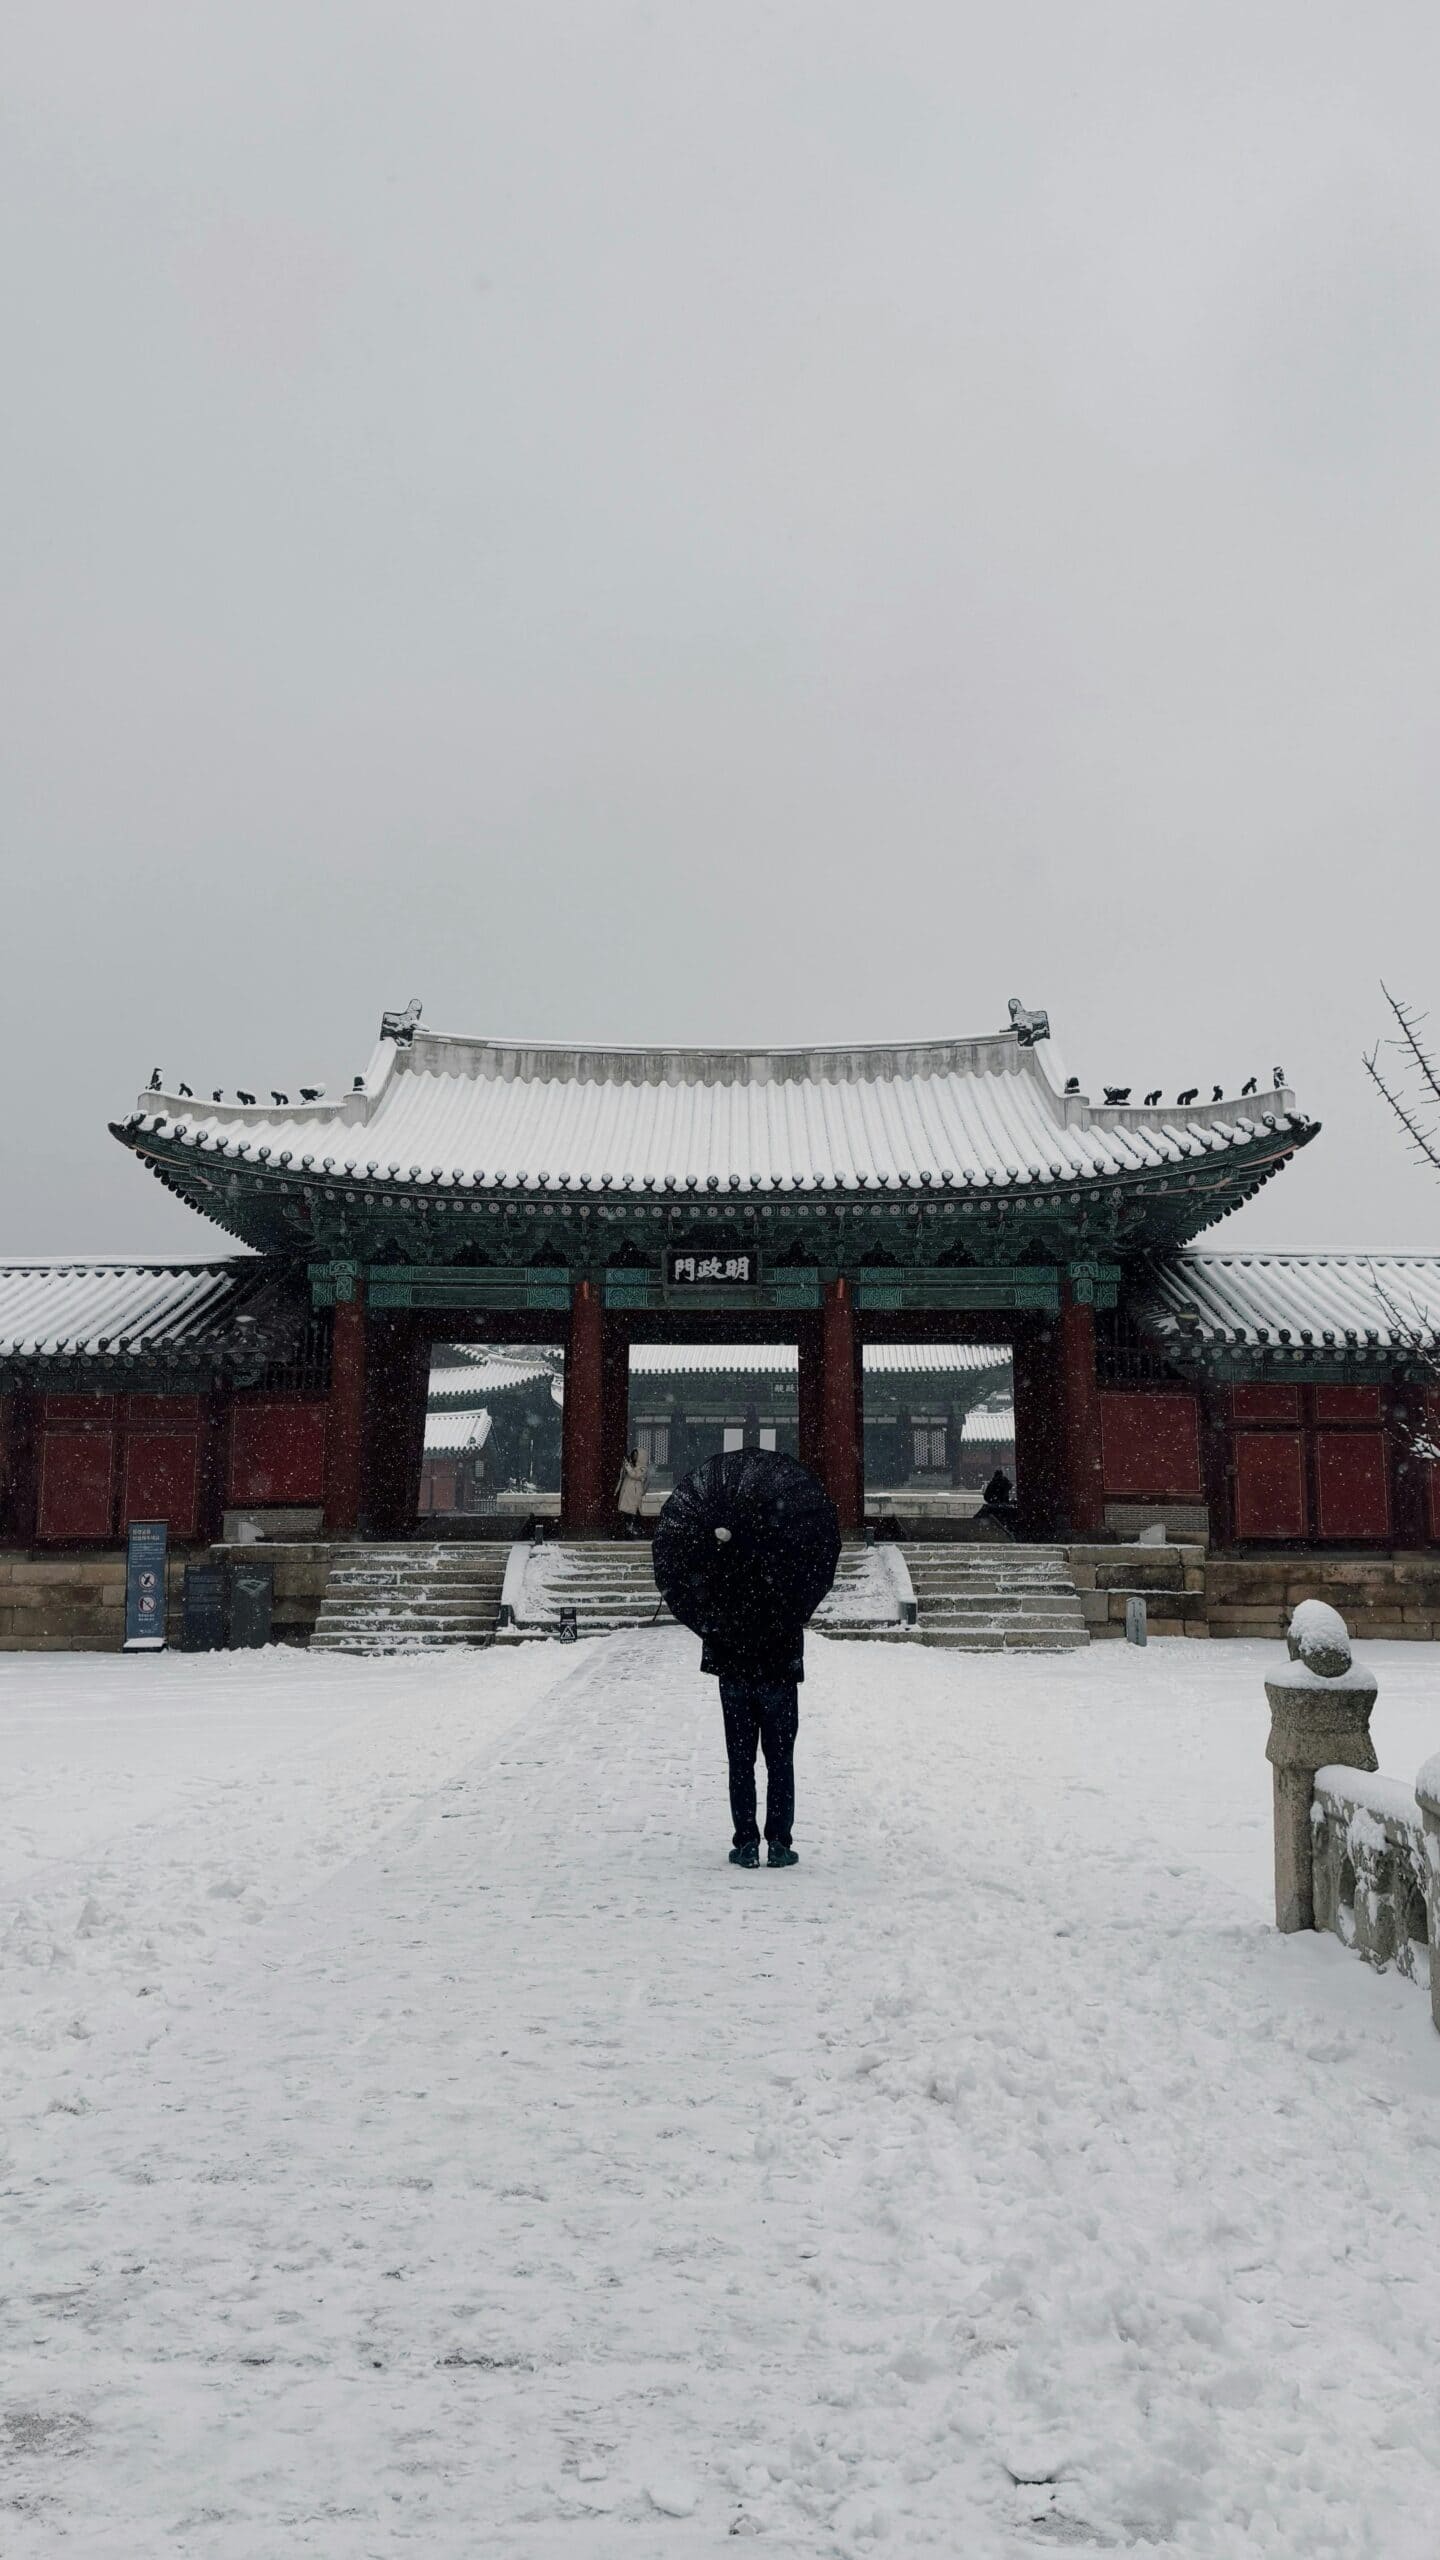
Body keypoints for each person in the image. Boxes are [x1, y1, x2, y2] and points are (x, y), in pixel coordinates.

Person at [704, 1602, 805, 1871]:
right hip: (778, 1668)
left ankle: (747, 1842)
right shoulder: (790, 1563)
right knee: (780, 1761)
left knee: (740, 1760)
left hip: (734, 1666)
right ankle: (779, 1842)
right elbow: (801, 1606)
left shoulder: (722, 1562)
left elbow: (706, 1608)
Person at [616, 1445, 649, 1536]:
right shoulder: (631, 1465)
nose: (634, 1457)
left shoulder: (643, 1468)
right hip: (627, 1493)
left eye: (636, 1455)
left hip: (634, 1494)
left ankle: (633, 1530)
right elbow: (623, 1476)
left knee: (633, 1513)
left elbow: (635, 1475)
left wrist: (628, 1466)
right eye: (633, 1455)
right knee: (626, 1513)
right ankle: (627, 1530)